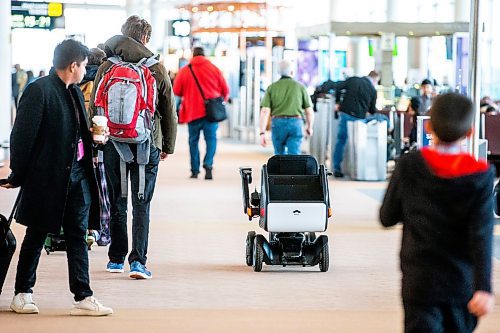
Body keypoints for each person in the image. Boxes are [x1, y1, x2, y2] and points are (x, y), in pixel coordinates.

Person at [0, 39, 112, 316]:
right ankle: (22, 293)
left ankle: (83, 296)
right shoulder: (40, 91)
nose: (86, 69)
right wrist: (18, 173)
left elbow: (77, 133)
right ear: (73, 65)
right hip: (46, 177)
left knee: (77, 235)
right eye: (85, 65)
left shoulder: (72, 91)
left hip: (77, 176)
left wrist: (97, 141)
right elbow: (22, 137)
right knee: (36, 234)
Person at [380, 92, 495, 333]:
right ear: (470, 132)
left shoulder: (409, 165)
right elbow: (482, 235)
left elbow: (387, 217)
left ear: (429, 126)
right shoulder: (481, 175)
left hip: (420, 279)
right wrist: (484, 287)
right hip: (461, 281)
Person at [90, 15, 177, 279]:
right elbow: (168, 110)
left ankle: (116, 258)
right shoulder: (155, 68)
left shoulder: (107, 66)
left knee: (117, 200)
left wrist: (98, 141)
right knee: (142, 202)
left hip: (113, 144)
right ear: (146, 38)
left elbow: (96, 106)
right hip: (146, 143)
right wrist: (167, 146)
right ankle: (138, 261)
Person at [173, 46, 229, 179]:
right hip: (211, 112)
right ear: (205, 55)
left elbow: (176, 90)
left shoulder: (185, 70)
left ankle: (194, 170)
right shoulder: (214, 69)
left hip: (192, 112)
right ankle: (208, 165)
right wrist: (221, 100)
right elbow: (225, 90)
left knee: (193, 141)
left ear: (193, 55)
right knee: (211, 139)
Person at [317, 71, 379, 178]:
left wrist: (337, 102)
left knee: (341, 141)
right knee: (358, 144)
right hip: (360, 118)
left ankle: (337, 168)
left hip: (346, 114)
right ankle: (357, 169)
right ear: (375, 79)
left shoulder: (353, 80)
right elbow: (372, 109)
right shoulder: (372, 89)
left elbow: (338, 87)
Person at [79, 47, 110, 247]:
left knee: (83, 187)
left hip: (77, 145)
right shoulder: (100, 83)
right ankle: (102, 230)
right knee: (101, 187)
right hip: (98, 141)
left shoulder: (75, 83)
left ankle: (85, 228)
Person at [258, 60, 314, 155]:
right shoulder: (300, 87)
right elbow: (309, 111)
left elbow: (264, 111)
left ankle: (280, 169)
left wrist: (262, 132)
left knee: (279, 155)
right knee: (294, 155)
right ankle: (293, 169)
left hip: (277, 123)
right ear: (292, 72)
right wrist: (309, 127)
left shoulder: (272, 87)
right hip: (296, 123)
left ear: (279, 72)